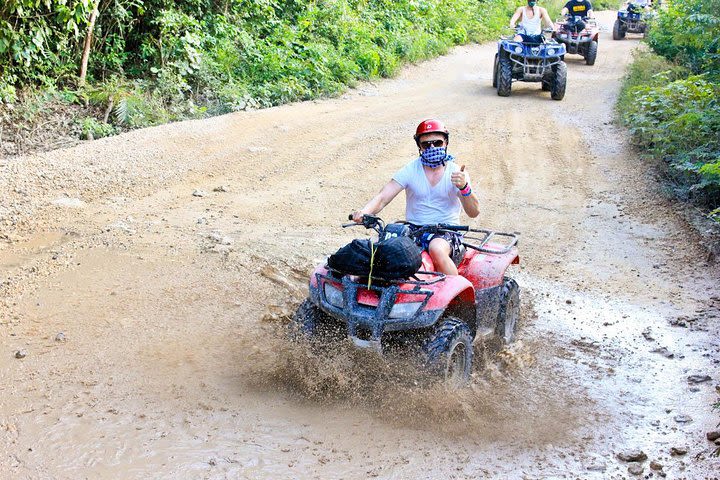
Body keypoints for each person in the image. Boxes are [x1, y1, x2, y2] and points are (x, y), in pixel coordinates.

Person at [351, 119, 480, 276]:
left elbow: (474, 212)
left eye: (437, 143)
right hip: (413, 229)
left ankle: (460, 297)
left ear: (445, 142)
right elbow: (383, 197)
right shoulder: (411, 169)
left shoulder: (457, 172)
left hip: (447, 230)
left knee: (436, 249)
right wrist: (364, 212)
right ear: (419, 146)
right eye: (426, 144)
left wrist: (464, 187)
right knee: (380, 247)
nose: (432, 147)